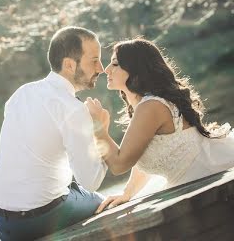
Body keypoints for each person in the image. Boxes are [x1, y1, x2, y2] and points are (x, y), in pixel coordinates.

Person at [86, 37, 234, 213]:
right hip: (187, 181)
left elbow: (119, 165)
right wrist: (128, 192)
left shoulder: (151, 106)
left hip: (206, 174)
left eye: (115, 64)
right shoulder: (145, 105)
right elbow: (145, 153)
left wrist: (98, 127)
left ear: (135, 69)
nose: (106, 69)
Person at [0, 26, 108, 241]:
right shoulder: (72, 108)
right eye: (94, 60)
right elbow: (91, 180)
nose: (101, 68)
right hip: (43, 216)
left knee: (70, 187)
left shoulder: (21, 94)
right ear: (69, 65)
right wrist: (99, 130)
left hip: (5, 224)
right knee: (105, 202)